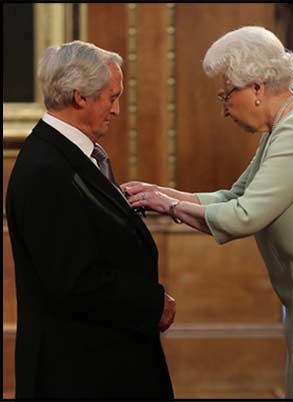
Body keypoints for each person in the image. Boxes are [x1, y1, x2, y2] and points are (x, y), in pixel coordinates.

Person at [121, 27, 293, 399]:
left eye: (225, 96)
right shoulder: (283, 127)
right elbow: (235, 195)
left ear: (255, 87)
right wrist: (161, 193)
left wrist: (168, 206)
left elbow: (244, 215)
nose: (223, 110)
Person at [6, 40, 175, 399]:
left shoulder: (70, 157)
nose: (116, 110)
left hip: (102, 365)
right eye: (111, 97)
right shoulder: (46, 169)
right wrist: (152, 304)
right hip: (78, 373)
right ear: (81, 96)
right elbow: (73, 281)